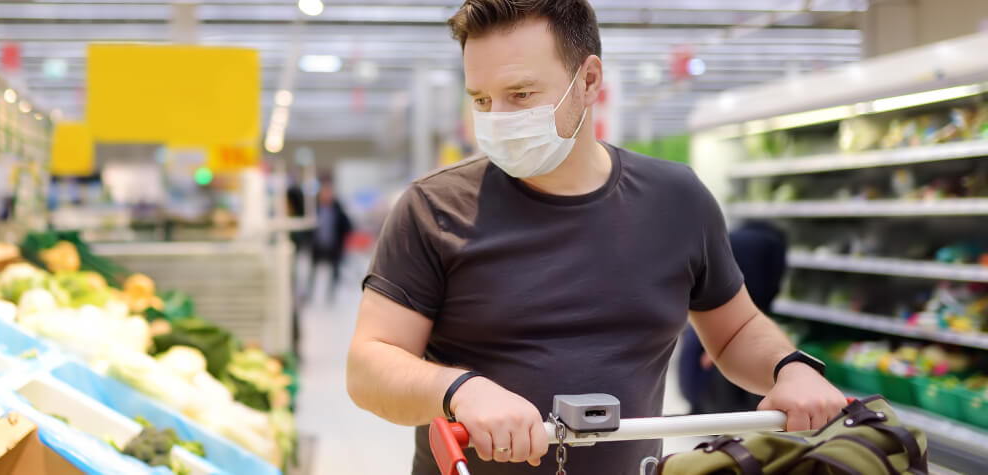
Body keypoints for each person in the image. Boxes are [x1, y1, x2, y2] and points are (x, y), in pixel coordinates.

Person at [344, 2, 847, 474]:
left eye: (521, 95)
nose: (497, 118)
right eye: (481, 99)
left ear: (588, 81)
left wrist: (790, 368)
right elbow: (369, 367)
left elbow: (735, 331)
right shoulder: (434, 209)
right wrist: (459, 389)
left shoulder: (677, 201)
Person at [679, 220, 789, 415]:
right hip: (742, 313)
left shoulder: (731, 238)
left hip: (709, 316)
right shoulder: (773, 244)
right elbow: (768, 288)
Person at [308, 180, 353, 303]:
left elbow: (348, 225)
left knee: (334, 273)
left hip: (333, 247)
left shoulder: (337, 209)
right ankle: (310, 296)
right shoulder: (315, 209)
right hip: (318, 246)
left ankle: (330, 297)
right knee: (313, 272)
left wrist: (342, 239)